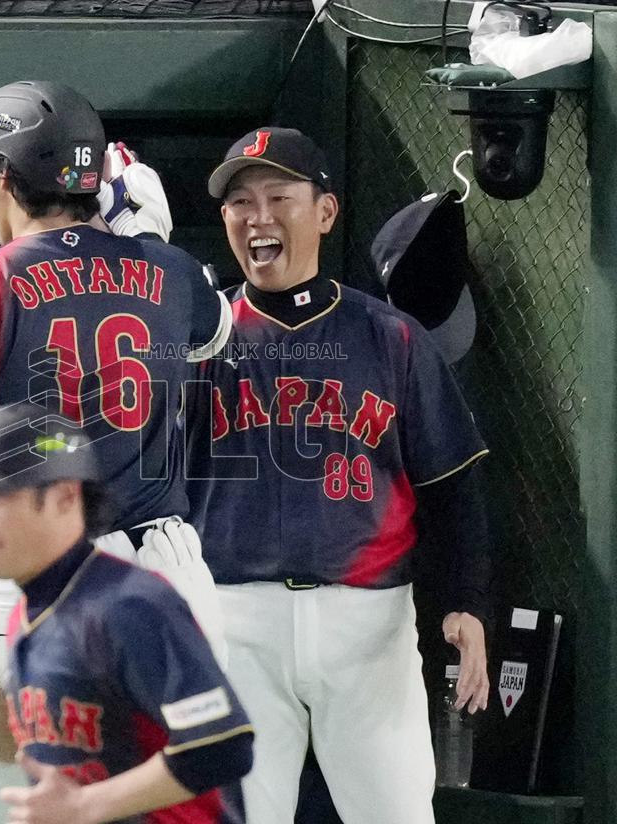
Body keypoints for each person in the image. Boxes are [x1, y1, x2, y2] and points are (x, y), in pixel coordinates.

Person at [0, 80, 232, 824]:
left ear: (2, 176)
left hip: (35, 590)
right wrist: (143, 240)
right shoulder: (169, 272)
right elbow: (214, 331)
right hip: (167, 584)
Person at [184, 127, 493, 824]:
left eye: (278, 197)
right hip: (235, 619)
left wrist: (467, 602)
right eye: (240, 202)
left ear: (325, 212)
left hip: (368, 624)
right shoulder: (197, 342)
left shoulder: (391, 338)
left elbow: (454, 488)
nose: (257, 216)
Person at [0, 401, 254, 823]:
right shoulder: (26, 617)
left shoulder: (129, 606)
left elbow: (222, 746)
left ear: (66, 497)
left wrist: (84, 806)